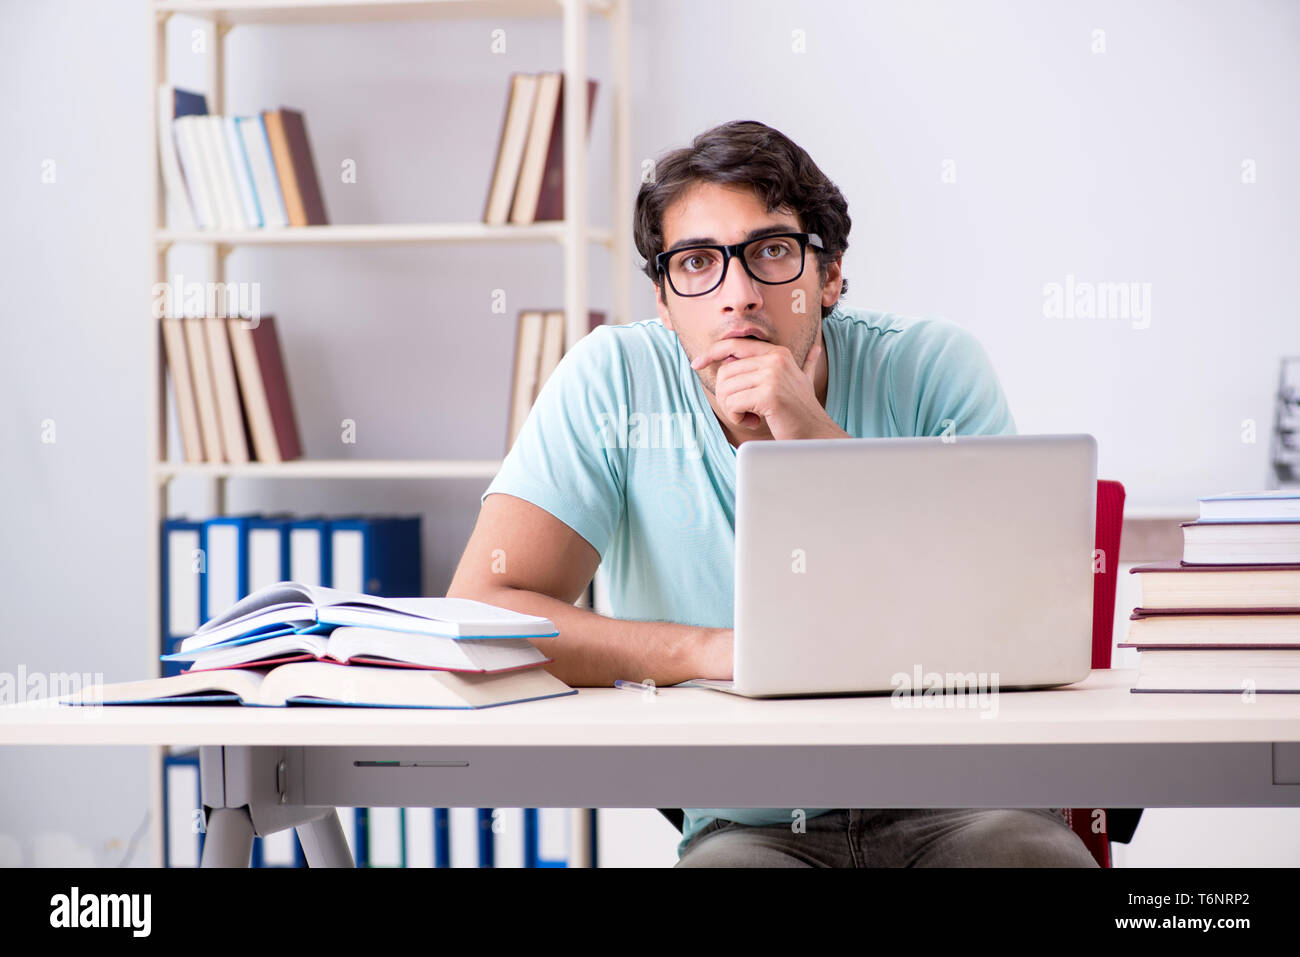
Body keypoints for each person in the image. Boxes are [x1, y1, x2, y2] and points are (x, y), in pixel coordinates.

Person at [447, 119, 1097, 868]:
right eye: (696, 264)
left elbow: (1019, 606)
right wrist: (712, 651)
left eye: (772, 252)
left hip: (967, 800)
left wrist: (814, 436)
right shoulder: (614, 381)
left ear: (829, 277)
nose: (739, 295)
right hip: (749, 823)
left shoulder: (934, 365)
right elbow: (485, 611)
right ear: (663, 300)